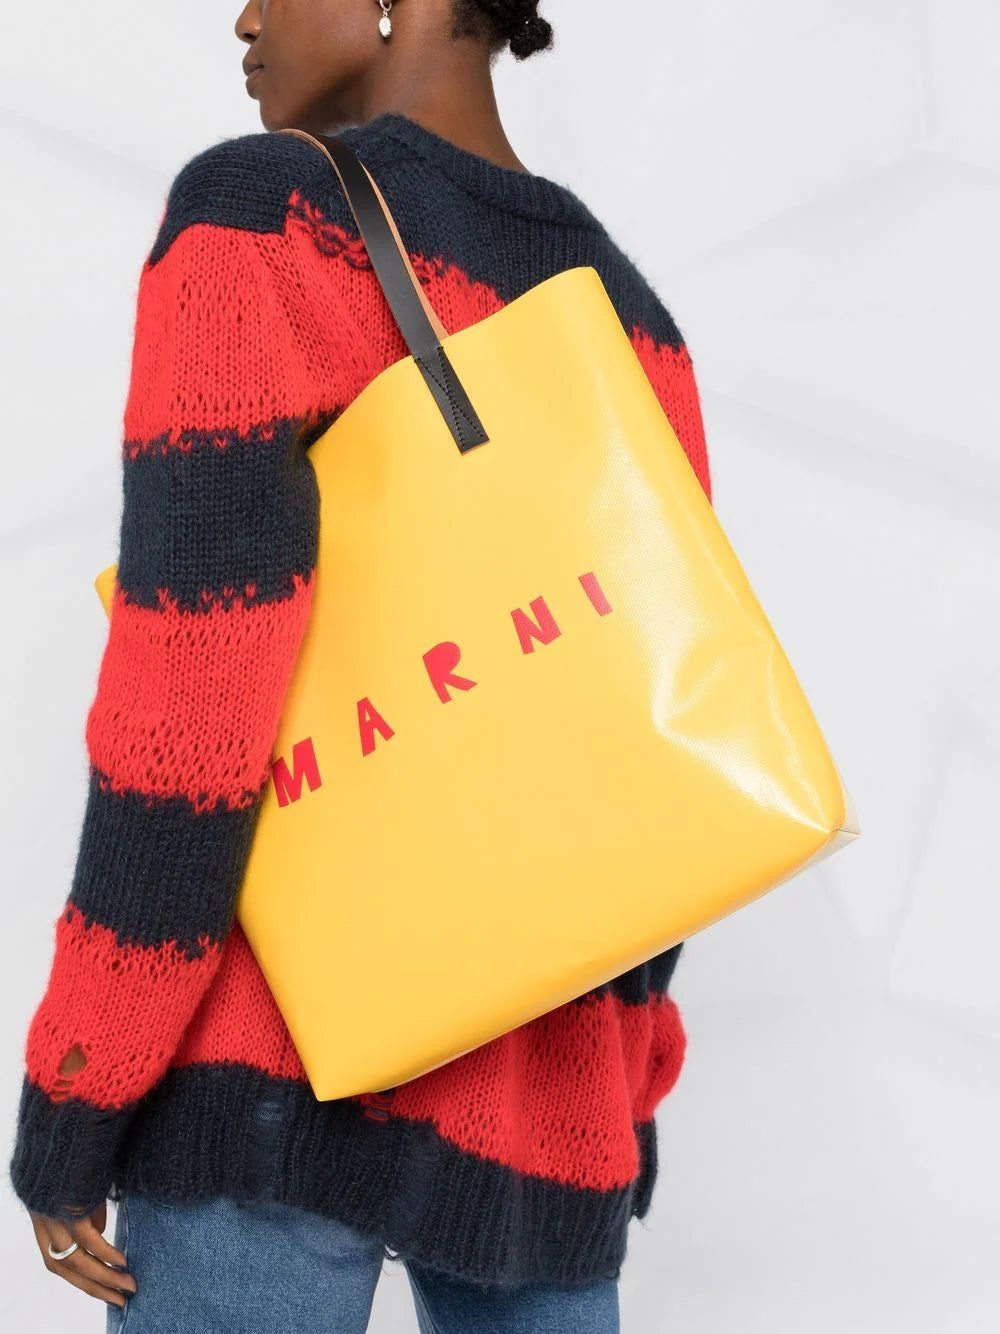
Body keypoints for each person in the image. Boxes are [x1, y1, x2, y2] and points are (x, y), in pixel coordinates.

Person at [8, 2, 713, 1330]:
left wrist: (81, 1082)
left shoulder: (262, 218)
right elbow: (655, 749)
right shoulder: (631, 316)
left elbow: (190, 707)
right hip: (547, 1121)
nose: (243, 16)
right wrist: (624, 1094)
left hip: (260, 1095)